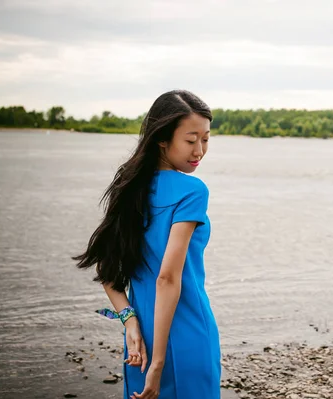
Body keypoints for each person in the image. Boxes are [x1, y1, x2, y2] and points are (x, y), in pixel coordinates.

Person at [73, 90, 220, 399]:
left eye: (205, 139)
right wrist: (159, 363)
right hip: (187, 331)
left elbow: (108, 271)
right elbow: (167, 278)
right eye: (191, 140)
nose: (200, 151)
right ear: (162, 139)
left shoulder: (130, 187)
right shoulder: (191, 191)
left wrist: (130, 323)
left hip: (139, 342)